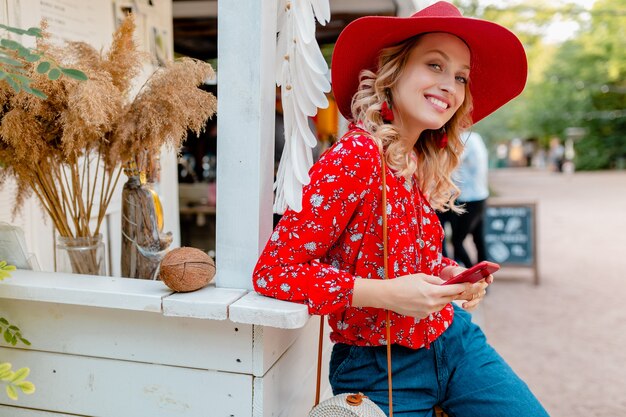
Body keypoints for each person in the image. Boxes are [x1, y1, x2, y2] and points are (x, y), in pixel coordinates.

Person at [253, 2, 548, 416]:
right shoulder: (355, 155)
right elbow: (275, 272)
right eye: (434, 65)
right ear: (394, 72)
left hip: (454, 340)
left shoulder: (414, 159)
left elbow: (405, 256)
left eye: (461, 77)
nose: (450, 85)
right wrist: (387, 295)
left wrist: (448, 275)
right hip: (381, 368)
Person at [441, 131, 489, 267]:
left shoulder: (462, 139)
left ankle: (471, 274)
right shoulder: (476, 137)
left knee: (457, 241)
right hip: (481, 196)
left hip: (467, 199)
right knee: (479, 240)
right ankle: (484, 278)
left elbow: (451, 162)